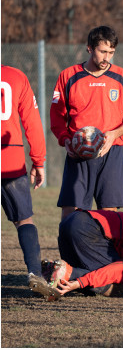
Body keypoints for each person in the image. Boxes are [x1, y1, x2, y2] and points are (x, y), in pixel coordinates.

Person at [50, 26, 123, 220]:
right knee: (71, 214)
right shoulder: (68, 76)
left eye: (111, 52)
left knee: (109, 215)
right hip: (78, 154)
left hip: (111, 152)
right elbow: (56, 116)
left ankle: (103, 251)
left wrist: (114, 134)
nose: (107, 57)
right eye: (103, 51)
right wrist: (66, 140)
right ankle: (69, 250)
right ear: (89, 48)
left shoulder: (122, 77)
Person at [1, 64, 55, 300]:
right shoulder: (16, 76)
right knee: (24, 219)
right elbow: (31, 121)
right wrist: (39, 160)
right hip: (10, 158)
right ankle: (35, 273)